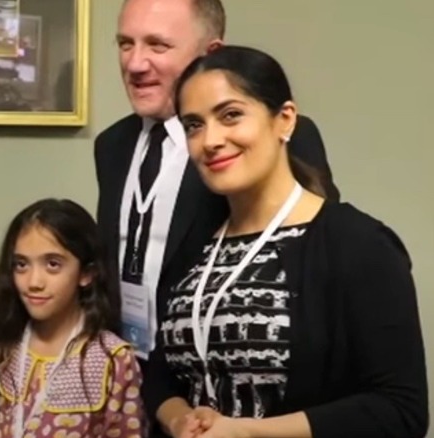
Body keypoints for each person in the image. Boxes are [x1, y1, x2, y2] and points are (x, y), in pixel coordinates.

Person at [144, 44, 428, 438]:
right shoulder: (196, 248)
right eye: (194, 125)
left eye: (230, 115)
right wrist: (179, 418)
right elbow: (162, 372)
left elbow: (400, 409)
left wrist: (248, 432)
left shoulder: (358, 244)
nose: (210, 140)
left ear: (285, 120)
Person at [94, 0, 339, 373]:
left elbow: (316, 269)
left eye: (158, 46)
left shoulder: (271, 139)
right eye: (126, 44)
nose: (135, 64)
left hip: (226, 384)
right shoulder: (112, 145)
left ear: (212, 53)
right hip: (129, 378)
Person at [0, 199, 147, 438]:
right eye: (21, 265)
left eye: (52, 264)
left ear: (86, 273)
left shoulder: (113, 360)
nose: (34, 282)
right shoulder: (7, 344)